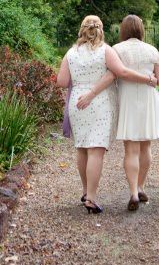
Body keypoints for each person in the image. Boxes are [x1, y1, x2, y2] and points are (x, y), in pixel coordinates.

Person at [56, 15, 149, 214]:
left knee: (82, 148)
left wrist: (81, 80)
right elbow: (121, 72)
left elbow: (62, 81)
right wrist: (148, 78)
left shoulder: (70, 53)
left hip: (77, 102)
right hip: (98, 103)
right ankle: (91, 198)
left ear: (82, 30)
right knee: (95, 150)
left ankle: (85, 191)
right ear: (100, 30)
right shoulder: (105, 51)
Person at [113, 14, 159, 209]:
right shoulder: (152, 50)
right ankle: (141, 186)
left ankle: (134, 192)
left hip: (127, 98)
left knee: (131, 149)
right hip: (148, 97)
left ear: (123, 30)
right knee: (146, 146)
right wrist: (149, 77)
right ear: (141, 30)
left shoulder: (116, 50)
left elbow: (112, 75)